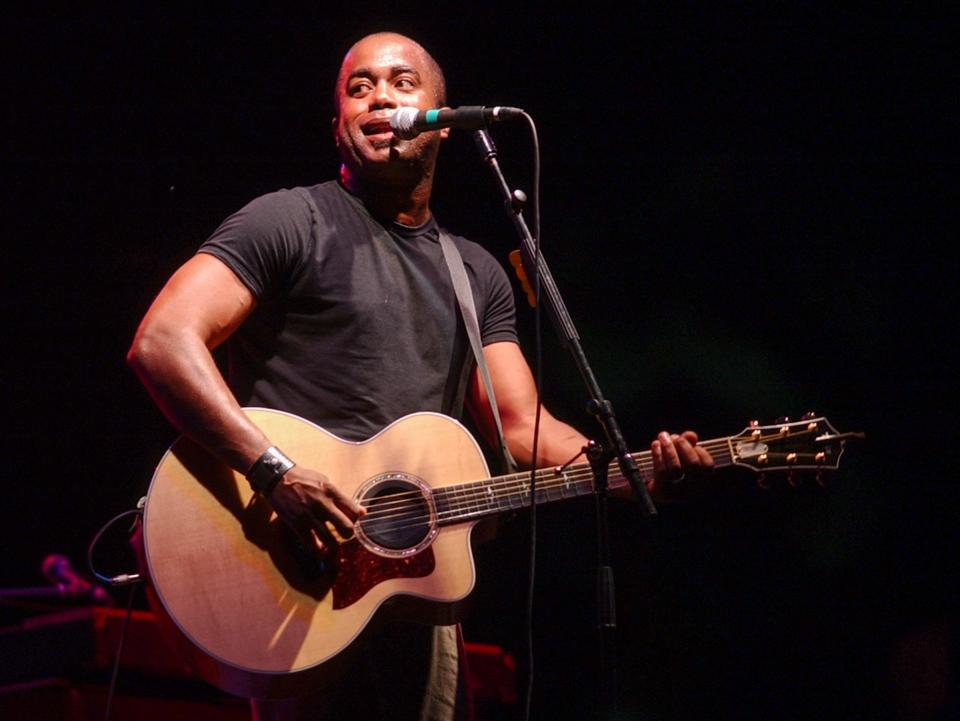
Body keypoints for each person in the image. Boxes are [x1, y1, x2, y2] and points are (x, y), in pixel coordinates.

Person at [127, 31, 713, 721]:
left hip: (415, 583)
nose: (379, 97)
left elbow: (522, 428)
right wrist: (275, 471)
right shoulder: (288, 220)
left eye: (402, 83)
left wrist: (634, 471)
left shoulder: (476, 273)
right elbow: (163, 340)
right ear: (338, 123)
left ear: (443, 118)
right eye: (358, 86)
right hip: (291, 570)